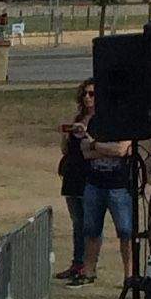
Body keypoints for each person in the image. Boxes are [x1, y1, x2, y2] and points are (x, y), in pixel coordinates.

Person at [67, 90, 142, 288]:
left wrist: (96, 146)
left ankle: (129, 275)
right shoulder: (94, 123)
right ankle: (89, 271)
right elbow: (85, 152)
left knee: (126, 231)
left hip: (119, 186)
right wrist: (103, 148)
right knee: (91, 229)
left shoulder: (125, 124)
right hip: (95, 183)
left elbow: (121, 150)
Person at [57, 81, 102, 283]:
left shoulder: (101, 120)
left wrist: (86, 133)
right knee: (77, 223)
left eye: (92, 94)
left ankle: (88, 265)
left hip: (90, 175)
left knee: (89, 224)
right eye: (85, 94)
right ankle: (76, 263)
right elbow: (66, 150)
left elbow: (101, 148)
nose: (87, 98)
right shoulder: (79, 118)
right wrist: (67, 135)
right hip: (72, 174)